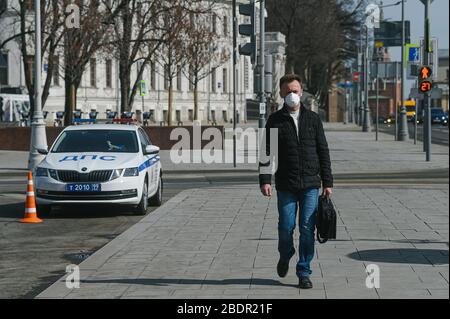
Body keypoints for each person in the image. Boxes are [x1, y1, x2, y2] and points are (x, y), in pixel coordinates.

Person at [259, 74, 333, 289]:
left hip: (311, 183)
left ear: (301, 92)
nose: (292, 94)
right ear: (282, 93)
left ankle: (304, 271)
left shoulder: (313, 119)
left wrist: (328, 182)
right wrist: (265, 180)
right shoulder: (275, 120)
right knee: (286, 226)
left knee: (307, 228)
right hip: (286, 184)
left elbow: (323, 151)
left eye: (296, 90)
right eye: (288, 91)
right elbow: (266, 152)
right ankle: (285, 254)